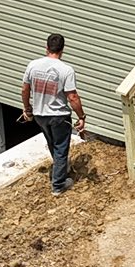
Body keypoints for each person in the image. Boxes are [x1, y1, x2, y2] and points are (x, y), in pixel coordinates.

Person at [21, 33, 84, 194]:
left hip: (40, 115)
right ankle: (58, 185)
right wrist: (81, 116)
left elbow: (25, 89)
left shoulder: (33, 65)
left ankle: (60, 168)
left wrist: (27, 108)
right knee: (61, 148)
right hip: (59, 116)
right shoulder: (66, 70)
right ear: (62, 50)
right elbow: (72, 97)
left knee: (52, 144)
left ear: (46, 47)